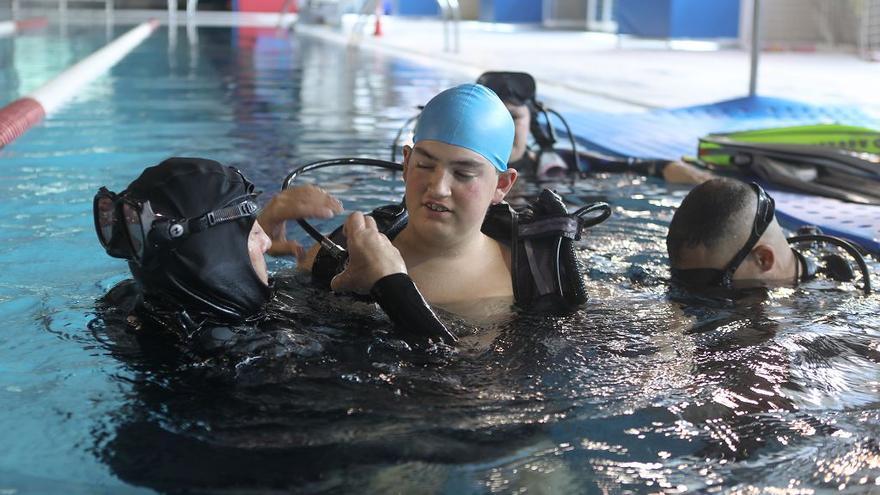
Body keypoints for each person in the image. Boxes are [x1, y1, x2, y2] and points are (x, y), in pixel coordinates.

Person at [279, 83, 609, 320]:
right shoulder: (345, 250)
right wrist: (265, 227)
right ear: (406, 164)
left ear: (502, 185)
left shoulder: (536, 278)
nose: (438, 188)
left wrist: (389, 285)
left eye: (464, 174)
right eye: (424, 165)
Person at [94, 157, 458, 346]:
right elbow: (455, 391)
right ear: (216, 256)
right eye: (249, 231)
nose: (266, 242)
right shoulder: (257, 357)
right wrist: (394, 285)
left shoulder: (127, 302)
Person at [475, 71, 714, 184]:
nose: (503, 129)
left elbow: (628, 167)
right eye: (495, 118)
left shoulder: (555, 167)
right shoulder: (459, 169)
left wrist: (667, 166)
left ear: (532, 120)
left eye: (513, 117)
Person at [666, 177, 871, 292]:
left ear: (764, 259)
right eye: (681, 278)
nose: (687, 296)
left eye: (707, 282)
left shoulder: (837, 303)